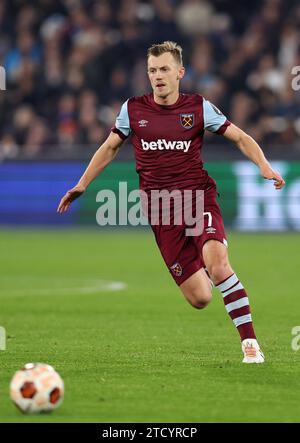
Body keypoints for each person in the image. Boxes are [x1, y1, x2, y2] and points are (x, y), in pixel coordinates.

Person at [57, 41, 285, 363]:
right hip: (161, 211)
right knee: (201, 298)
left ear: (180, 72)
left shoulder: (198, 108)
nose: (158, 76)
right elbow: (109, 148)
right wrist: (82, 184)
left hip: (197, 198)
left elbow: (240, 137)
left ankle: (250, 345)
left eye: (164, 69)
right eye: (152, 70)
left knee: (218, 265)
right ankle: (208, 264)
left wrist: (263, 165)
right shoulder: (133, 110)